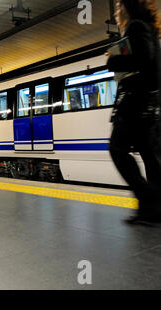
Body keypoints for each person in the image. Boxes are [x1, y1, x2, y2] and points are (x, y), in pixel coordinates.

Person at [106, 0, 161, 224]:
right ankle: (153, 211)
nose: (117, 12)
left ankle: (148, 199)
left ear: (127, 8)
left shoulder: (135, 26)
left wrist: (113, 60)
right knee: (151, 157)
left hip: (136, 105)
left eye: (119, 8)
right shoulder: (149, 28)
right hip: (151, 105)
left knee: (117, 149)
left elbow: (142, 58)